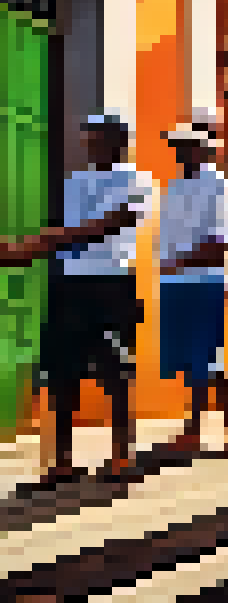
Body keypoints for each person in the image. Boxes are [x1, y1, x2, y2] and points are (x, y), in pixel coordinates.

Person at [0, 113, 156, 487]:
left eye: (100, 138)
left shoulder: (138, 180)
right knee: (61, 372)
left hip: (112, 281)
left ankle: (122, 455)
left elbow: (109, 225)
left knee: (114, 368)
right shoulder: (76, 182)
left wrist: (43, 241)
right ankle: (64, 462)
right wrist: (24, 252)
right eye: (89, 138)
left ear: (120, 142)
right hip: (68, 281)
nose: (92, 145)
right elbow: (70, 236)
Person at [155, 112, 228, 460]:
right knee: (189, 364)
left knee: (211, 363)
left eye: (186, 146)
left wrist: (178, 262)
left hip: (203, 282)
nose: (179, 151)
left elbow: (220, 243)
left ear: (204, 148)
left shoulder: (219, 186)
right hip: (174, 284)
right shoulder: (174, 185)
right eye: (176, 146)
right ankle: (194, 430)